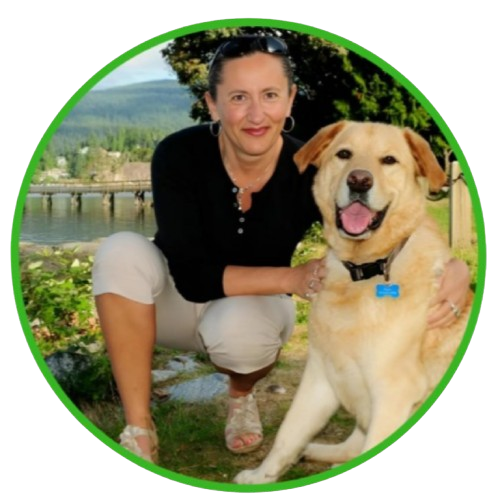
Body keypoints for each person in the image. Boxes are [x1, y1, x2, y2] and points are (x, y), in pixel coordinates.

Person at [91, 34, 471, 463]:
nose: (256, 114)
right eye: (238, 97)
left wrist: (453, 269)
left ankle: (241, 395)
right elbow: (194, 278)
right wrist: (293, 277)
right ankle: (140, 429)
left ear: (290, 99)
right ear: (213, 104)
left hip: (252, 310)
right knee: (120, 251)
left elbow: (386, 237)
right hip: (174, 300)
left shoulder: (311, 170)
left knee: (243, 333)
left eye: (270, 95)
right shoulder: (178, 154)